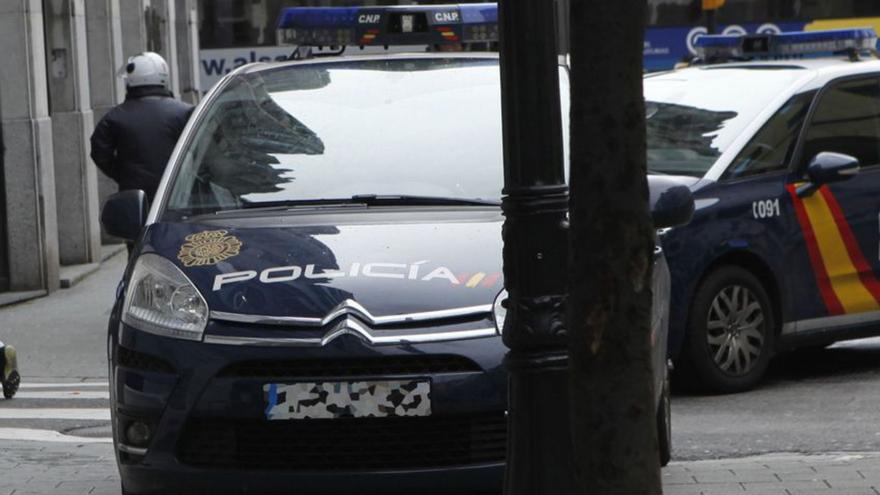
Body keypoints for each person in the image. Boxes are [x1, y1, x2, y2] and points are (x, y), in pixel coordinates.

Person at [90, 52, 193, 204]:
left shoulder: (114, 117)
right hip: (181, 197)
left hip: (136, 202)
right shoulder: (186, 112)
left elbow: (100, 153)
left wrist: (126, 175)